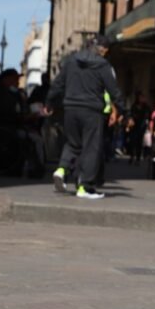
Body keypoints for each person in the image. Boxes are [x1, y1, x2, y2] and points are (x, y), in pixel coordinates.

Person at [45, 35, 125, 200]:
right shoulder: (103, 65)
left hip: (71, 109)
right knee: (91, 148)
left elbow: (58, 83)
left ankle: (61, 170)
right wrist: (123, 111)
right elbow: (113, 90)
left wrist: (49, 103)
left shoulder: (72, 61)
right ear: (101, 50)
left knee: (72, 143)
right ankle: (84, 187)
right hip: (92, 111)